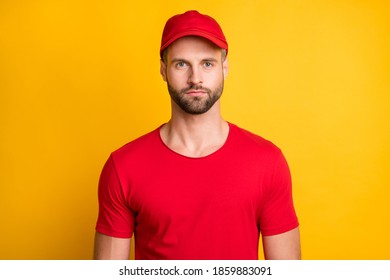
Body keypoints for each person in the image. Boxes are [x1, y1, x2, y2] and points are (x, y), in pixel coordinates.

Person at [94, 10, 300, 260]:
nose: (195, 78)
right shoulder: (123, 167)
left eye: (207, 63)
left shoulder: (268, 163)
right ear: (163, 70)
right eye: (181, 64)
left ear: (224, 68)